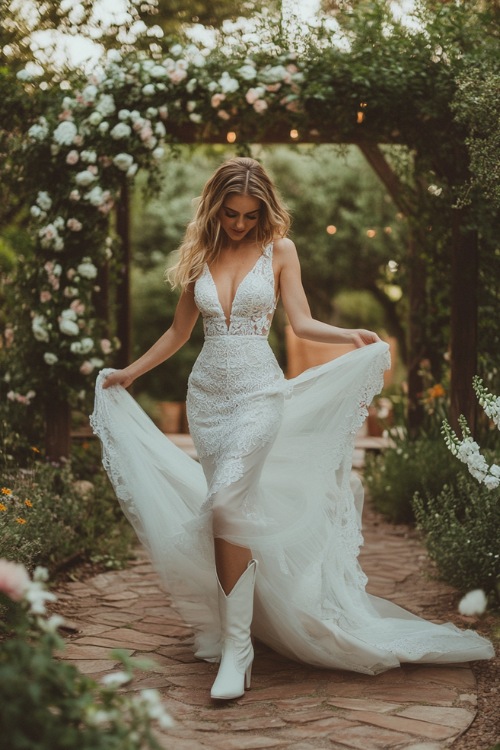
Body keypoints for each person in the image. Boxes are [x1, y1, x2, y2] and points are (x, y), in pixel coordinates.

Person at [91, 157, 493, 702]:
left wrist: (347, 334)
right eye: (231, 214)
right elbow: (179, 332)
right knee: (224, 514)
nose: (239, 224)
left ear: (264, 210)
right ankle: (236, 632)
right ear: (216, 207)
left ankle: (238, 652)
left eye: (249, 215)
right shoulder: (200, 256)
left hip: (260, 394)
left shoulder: (280, 250)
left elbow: (299, 322)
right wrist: (128, 375)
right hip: (207, 400)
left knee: (228, 506)